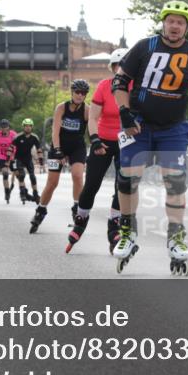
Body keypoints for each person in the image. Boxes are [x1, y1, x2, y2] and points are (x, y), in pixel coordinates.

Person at [110, 0, 188, 275]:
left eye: (181, 22)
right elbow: (119, 82)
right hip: (137, 125)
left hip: (172, 128)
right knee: (127, 178)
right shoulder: (144, 47)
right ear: (164, 22)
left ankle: (175, 238)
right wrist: (124, 113)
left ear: (186, 27)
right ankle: (127, 230)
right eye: (171, 21)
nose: (175, 26)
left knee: (174, 181)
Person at [66, 48, 128, 254]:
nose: (120, 70)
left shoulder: (136, 89)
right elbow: (92, 118)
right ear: (112, 68)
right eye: (116, 67)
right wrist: (95, 140)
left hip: (126, 142)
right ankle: (81, 218)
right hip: (102, 140)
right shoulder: (103, 86)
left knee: (123, 185)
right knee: (92, 183)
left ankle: (114, 224)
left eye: (124, 67)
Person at [29, 80, 90, 233]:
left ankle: (77, 209)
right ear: (72, 92)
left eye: (83, 93)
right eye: (77, 92)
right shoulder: (61, 107)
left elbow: (92, 129)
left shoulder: (87, 109)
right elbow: (55, 131)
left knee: (77, 176)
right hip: (59, 146)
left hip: (77, 147)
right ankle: (40, 211)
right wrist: (57, 150)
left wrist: (96, 143)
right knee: (52, 183)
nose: (80, 95)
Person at [12, 118, 43, 205]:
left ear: (32, 127)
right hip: (18, 159)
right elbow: (11, 148)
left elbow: (39, 149)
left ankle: (35, 194)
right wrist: (9, 160)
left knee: (32, 177)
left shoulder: (34, 137)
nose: (28, 128)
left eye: (30, 126)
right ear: (23, 127)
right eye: (26, 126)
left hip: (28, 159)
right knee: (21, 176)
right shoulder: (18, 137)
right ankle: (22, 193)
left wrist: (41, 159)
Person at [0, 120, 18, 202]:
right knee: (5, 174)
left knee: (18, 173)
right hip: (2, 157)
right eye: (2, 127)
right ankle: (7, 192)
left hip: (12, 157)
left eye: (5, 127)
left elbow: (18, 144)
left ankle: (17, 186)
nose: (4, 129)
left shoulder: (13, 134)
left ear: (8, 127)